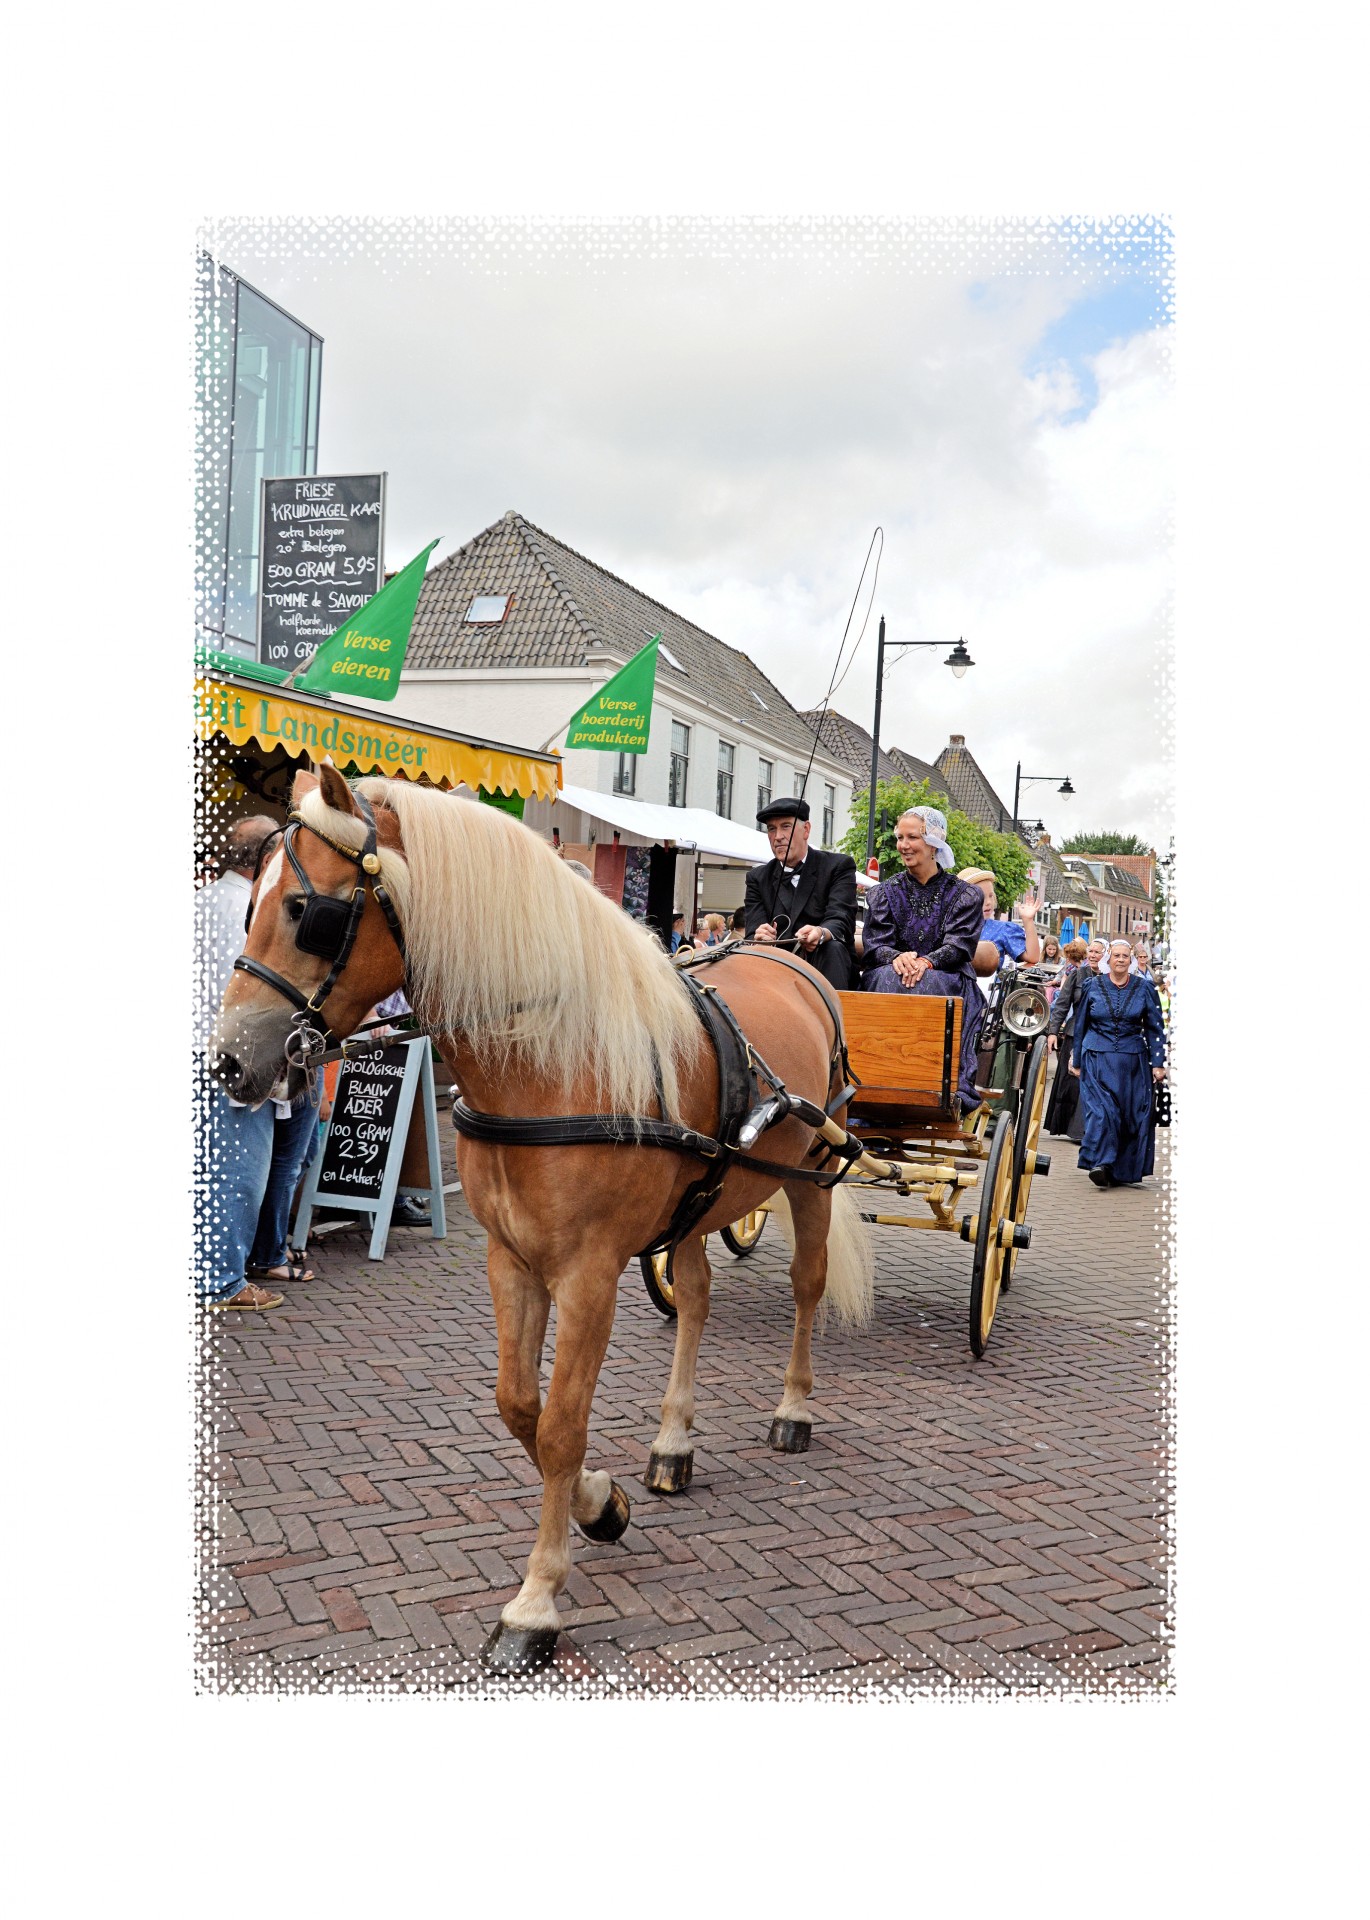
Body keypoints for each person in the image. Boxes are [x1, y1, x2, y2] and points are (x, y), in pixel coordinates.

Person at [194, 815, 287, 1310]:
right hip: (232, 1057)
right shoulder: (250, 913)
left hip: (192, 1049)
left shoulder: (199, 902)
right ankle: (223, 1281)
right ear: (268, 857)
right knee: (237, 1172)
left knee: (201, 1169)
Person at [858, 806, 985, 1112]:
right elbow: (874, 943)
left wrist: (926, 962)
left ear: (933, 844)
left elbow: (960, 945)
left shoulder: (965, 895)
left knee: (929, 983)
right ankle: (874, 1076)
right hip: (892, 971)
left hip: (948, 974)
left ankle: (932, 1077)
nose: (903, 844)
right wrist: (897, 957)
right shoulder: (882, 893)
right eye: (899, 837)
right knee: (885, 977)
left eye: (912, 837)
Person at [1069, 937, 1167, 1187]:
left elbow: (1155, 1028)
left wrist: (1158, 1062)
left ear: (1131, 960)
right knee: (1102, 1113)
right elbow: (1081, 1024)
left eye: (1125, 956)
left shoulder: (1144, 988)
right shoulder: (1092, 986)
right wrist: (1076, 1057)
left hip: (1132, 1064)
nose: (1121, 960)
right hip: (1096, 1060)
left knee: (1128, 1117)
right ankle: (1101, 1163)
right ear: (1108, 959)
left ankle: (1120, 1169)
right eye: (1116, 956)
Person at [745, 796, 857, 989]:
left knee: (832, 948)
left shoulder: (838, 866)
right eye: (772, 829)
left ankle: (836, 1018)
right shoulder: (757, 877)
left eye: (785, 826)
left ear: (806, 830)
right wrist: (759, 936)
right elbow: (750, 934)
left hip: (824, 965)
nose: (778, 836)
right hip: (776, 970)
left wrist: (821, 933)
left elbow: (841, 918)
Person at [957, 867, 1042, 976]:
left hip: (985, 990)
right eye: (981, 897)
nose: (988, 902)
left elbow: (1032, 957)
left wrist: (1028, 921)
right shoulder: (948, 927)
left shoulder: (1002, 929)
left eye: (991, 896)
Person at [1043, 938, 1088, 1134]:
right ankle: (1067, 1125)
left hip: (1099, 1035)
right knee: (1069, 1082)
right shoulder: (1076, 975)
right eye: (1092, 952)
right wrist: (1053, 1032)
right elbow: (1061, 1004)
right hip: (1074, 1031)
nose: (1094, 956)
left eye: (1098, 952)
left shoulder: (1107, 977)